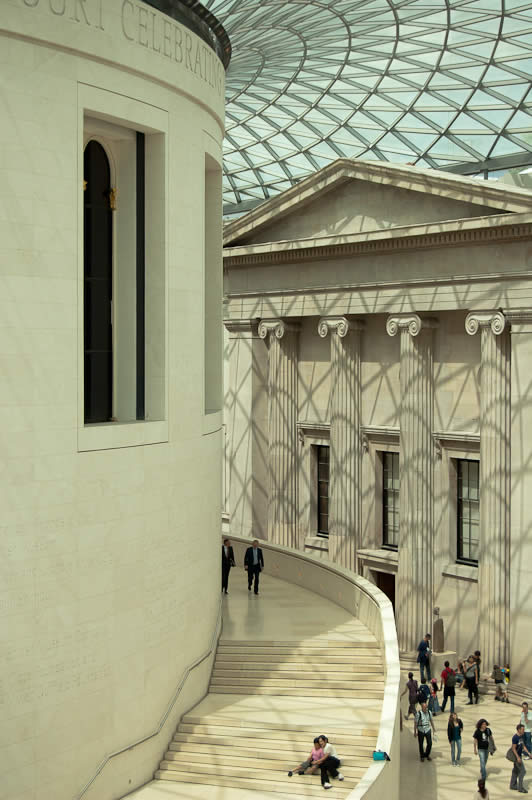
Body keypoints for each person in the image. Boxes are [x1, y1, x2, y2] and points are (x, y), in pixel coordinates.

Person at [510, 723, 531, 793]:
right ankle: (520, 787)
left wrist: (528, 753)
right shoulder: (515, 737)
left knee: (515, 771)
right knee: (522, 771)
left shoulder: (521, 737)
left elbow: (523, 746)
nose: (524, 730)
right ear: (518, 730)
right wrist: (518, 757)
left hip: (519, 756)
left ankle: (512, 785)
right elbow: (513, 748)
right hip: (516, 757)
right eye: (522, 729)